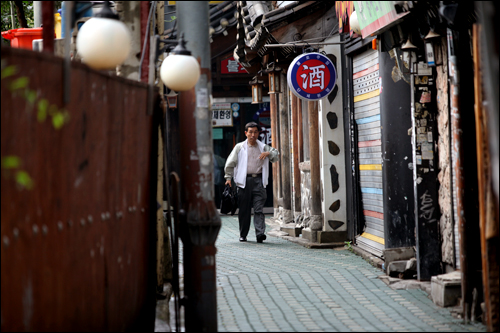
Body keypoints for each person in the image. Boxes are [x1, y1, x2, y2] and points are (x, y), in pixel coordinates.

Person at [224, 122, 279, 243]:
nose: (253, 135)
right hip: (244, 182)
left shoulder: (263, 147)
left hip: (259, 181)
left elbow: (276, 154)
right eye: (250, 132)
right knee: (244, 210)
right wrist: (228, 178)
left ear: (258, 133)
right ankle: (243, 234)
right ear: (246, 133)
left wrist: (268, 153)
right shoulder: (239, 147)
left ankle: (260, 234)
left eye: (255, 132)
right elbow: (230, 163)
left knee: (259, 209)